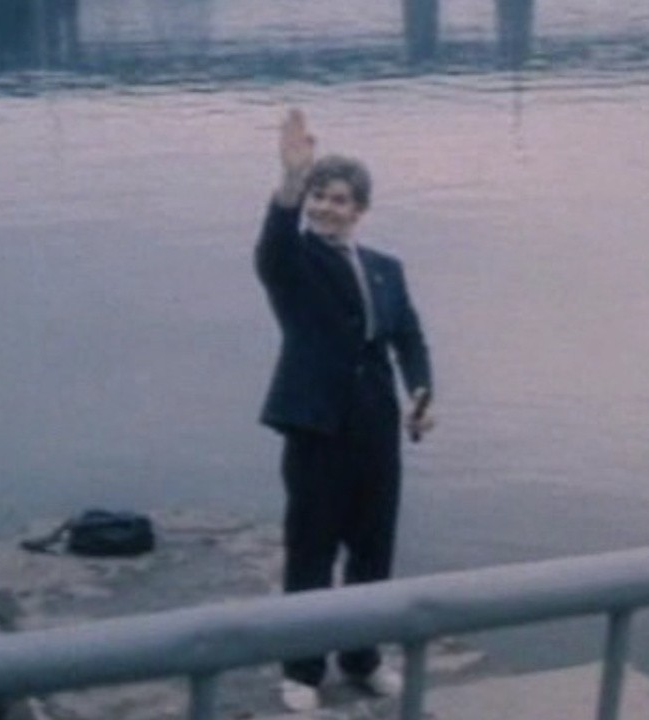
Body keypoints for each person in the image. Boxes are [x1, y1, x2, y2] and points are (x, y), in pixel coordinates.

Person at [255, 108, 435, 711]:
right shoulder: (295, 261)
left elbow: (408, 338)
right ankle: (302, 670)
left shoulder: (387, 270)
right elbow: (273, 247)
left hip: (376, 423)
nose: (327, 208)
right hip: (316, 424)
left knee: (373, 545)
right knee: (311, 547)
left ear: (360, 209)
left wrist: (419, 392)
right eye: (319, 197)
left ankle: (362, 658)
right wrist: (289, 181)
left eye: (339, 200)